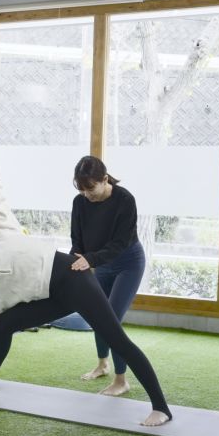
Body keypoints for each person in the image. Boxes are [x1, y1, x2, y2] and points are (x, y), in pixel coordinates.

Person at [0, 115, 171, 427]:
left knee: (116, 337)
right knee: (4, 323)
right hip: (56, 291)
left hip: (71, 277)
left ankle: (161, 407)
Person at [71, 156, 146, 397]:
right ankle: (102, 364)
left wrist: (90, 260)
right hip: (101, 264)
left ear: (105, 179)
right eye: (82, 190)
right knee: (97, 313)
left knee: (111, 319)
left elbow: (120, 243)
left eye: (91, 188)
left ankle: (121, 380)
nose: (86, 195)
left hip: (128, 263)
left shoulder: (125, 200)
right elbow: (77, 240)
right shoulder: (80, 202)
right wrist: (75, 260)